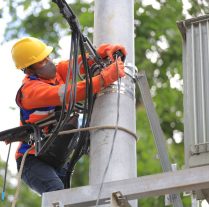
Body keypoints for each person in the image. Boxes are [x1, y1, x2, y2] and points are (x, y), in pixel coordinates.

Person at [11, 37, 127, 195]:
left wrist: (103, 53)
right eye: (41, 60)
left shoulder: (56, 73)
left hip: (57, 155)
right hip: (33, 159)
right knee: (57, 194)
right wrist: (104, 79)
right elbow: (70, 93)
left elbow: (79, 65)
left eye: (47, 56)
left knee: (70, 198)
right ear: (29, 69)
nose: (48, 61)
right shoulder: (30, 92)